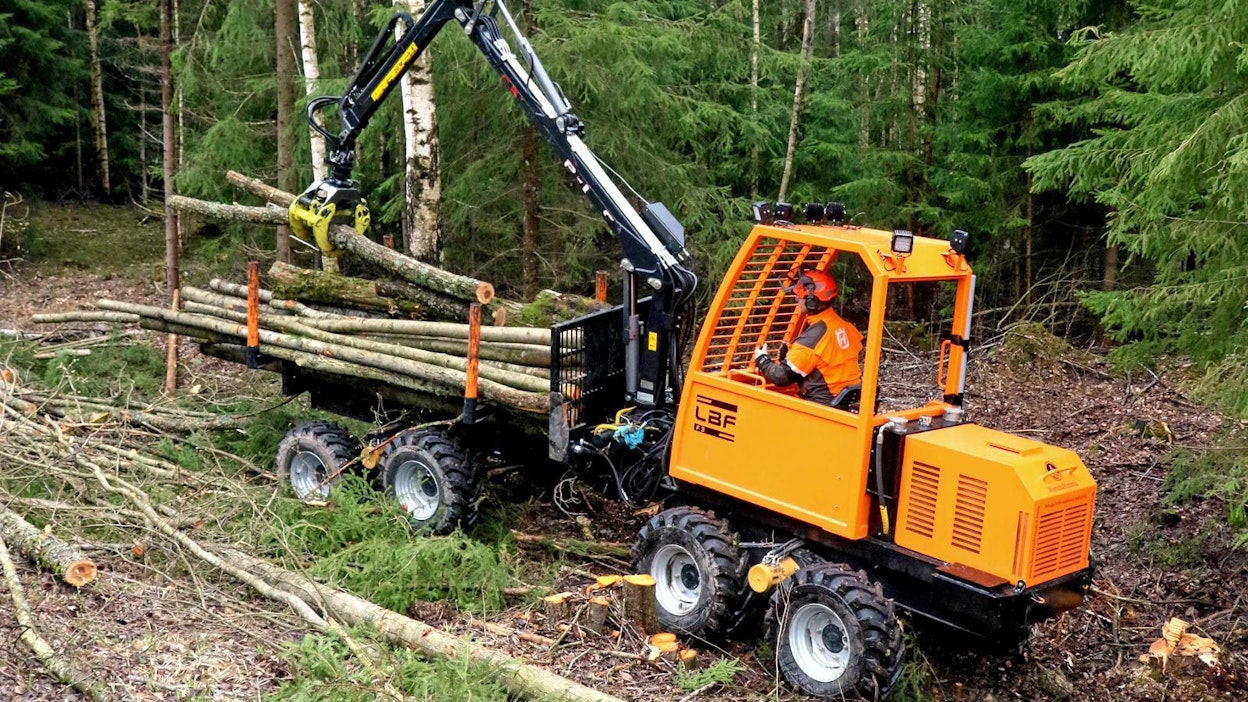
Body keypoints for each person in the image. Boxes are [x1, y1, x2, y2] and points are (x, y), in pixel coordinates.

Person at [753, 267, 864, 407]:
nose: (796, 299)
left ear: (812, 300)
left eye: (799, 296)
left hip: (822, 406)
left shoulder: (814, 337)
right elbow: (823, 366)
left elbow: (781, 377)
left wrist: (762, 360)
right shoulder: (842, 326)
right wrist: (788, 358)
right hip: (844, 401)